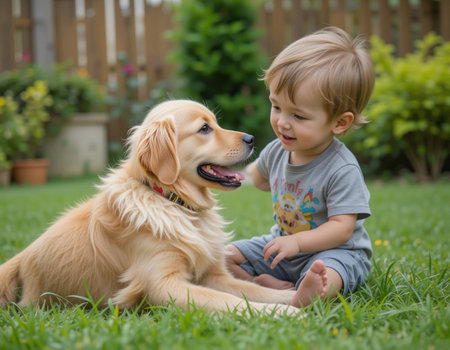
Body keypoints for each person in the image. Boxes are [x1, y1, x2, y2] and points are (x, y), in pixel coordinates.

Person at [225, 26, 375, 307]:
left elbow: (342, 228)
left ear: (339, 123)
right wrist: (227, 176)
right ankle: (260, 286)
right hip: (282, 246)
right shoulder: (276, 150)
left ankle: (306, 291)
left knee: (328, 275)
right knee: (224, 256)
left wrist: (299, 243)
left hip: (336, 252)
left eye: (298, 116)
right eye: (276, 106)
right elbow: (256, 178)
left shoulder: (342, 169)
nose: (282, 122)